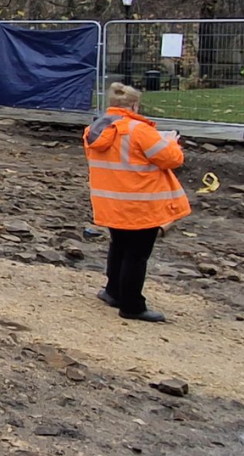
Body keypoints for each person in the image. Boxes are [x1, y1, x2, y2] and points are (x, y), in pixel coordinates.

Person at [82, 82, 191, 322]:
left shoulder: (95, 130)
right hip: (141, 202)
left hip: (111, 201)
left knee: (119, 245)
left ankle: (113, 291)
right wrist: (172, 142)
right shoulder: (140, 131)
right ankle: (132, 304)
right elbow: (172, 159)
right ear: (134, 105)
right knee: (137, 254)